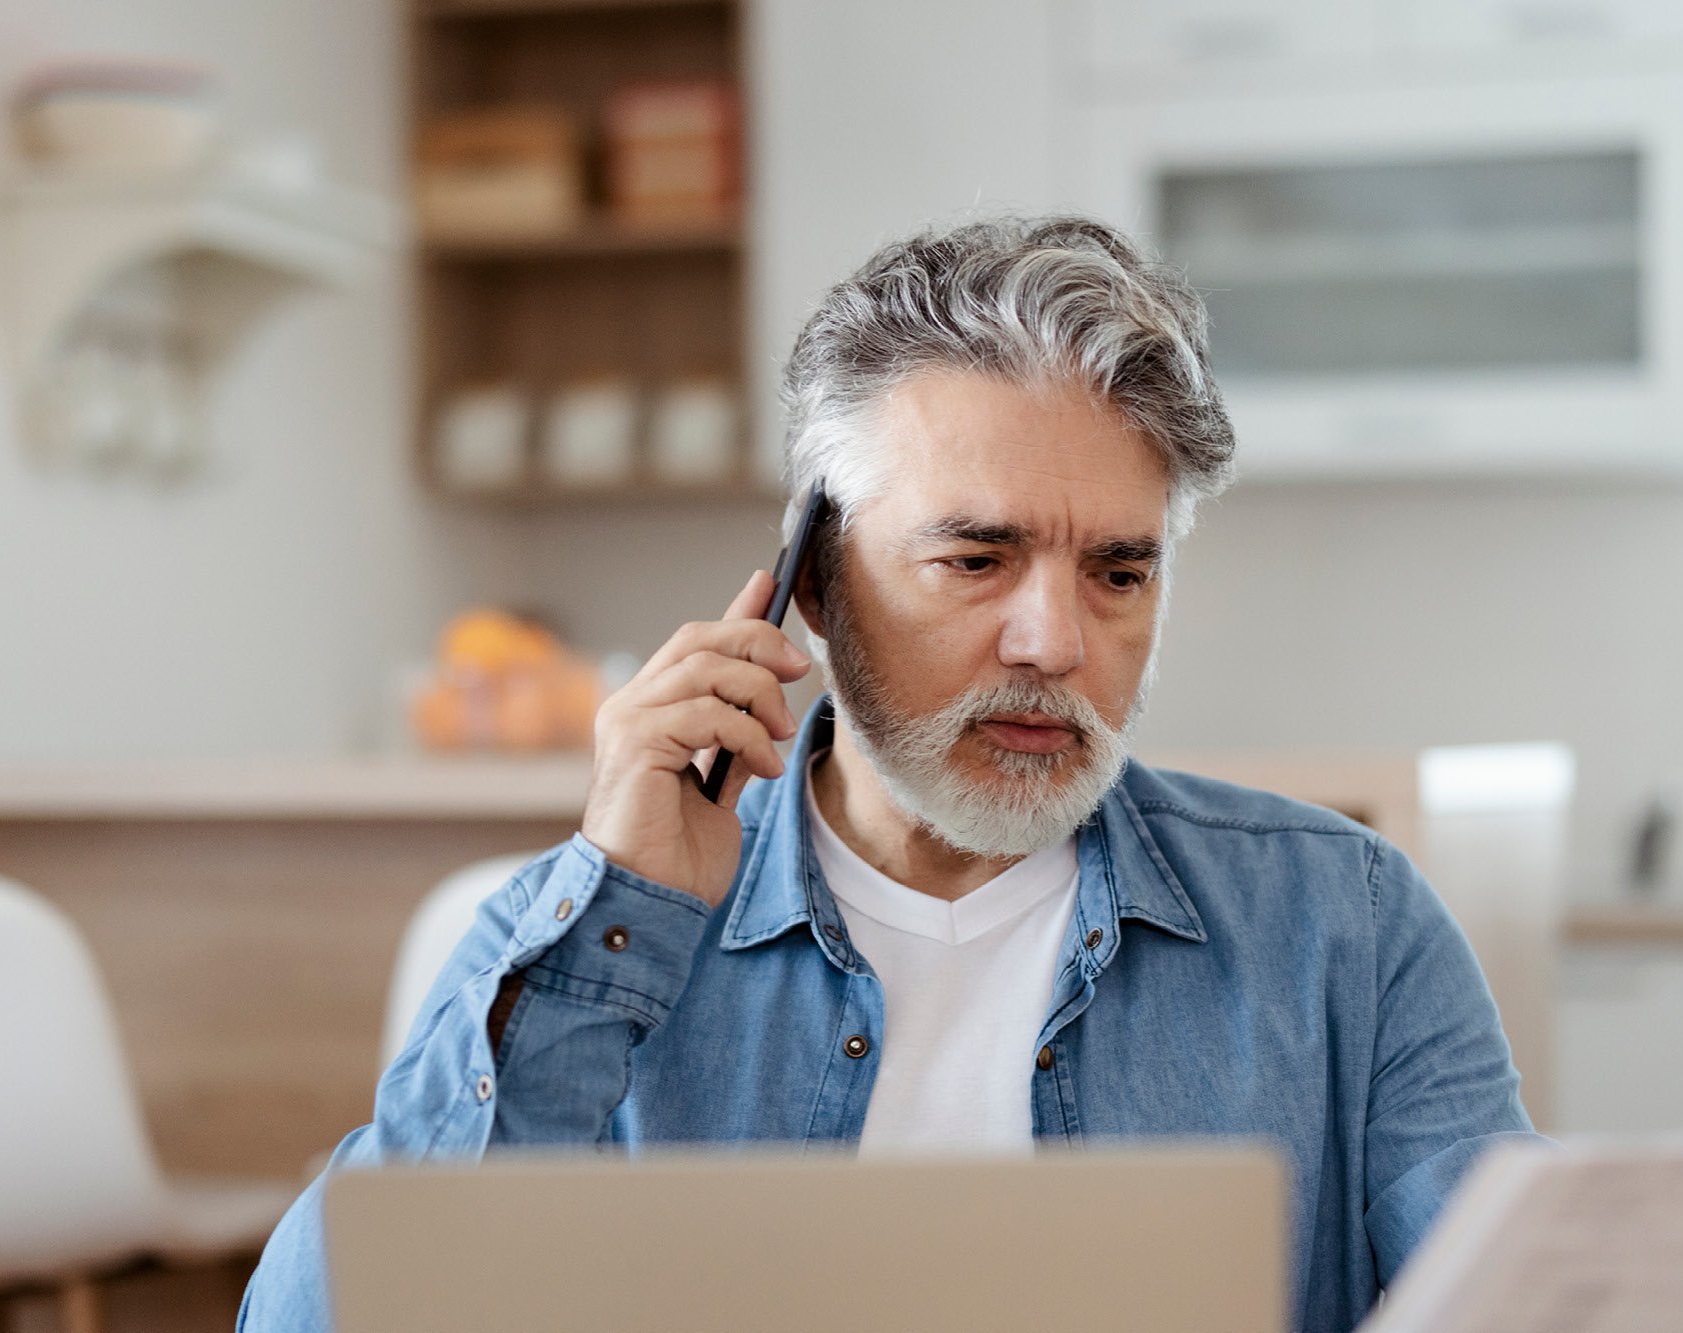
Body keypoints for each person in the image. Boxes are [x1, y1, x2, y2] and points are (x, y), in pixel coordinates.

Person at [239, 215, 1542, 1333]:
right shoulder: (595, 926)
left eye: (1120, 571)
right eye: (976, 559)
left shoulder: (1348, 927)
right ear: (812, 580)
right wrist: (614, 923)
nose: (1056, 641)